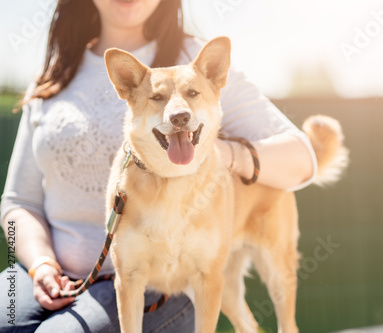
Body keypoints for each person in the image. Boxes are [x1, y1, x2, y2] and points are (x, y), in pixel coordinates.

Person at [0, 0, 317, 332]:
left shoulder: (198, 62)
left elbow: (302, 159)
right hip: (41, 273)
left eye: (189, 97)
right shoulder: (53, 75)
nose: (177, 111)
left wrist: (219, 153)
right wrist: (40, 263)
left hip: (162, 284)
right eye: (158, 99)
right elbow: (17, 202)